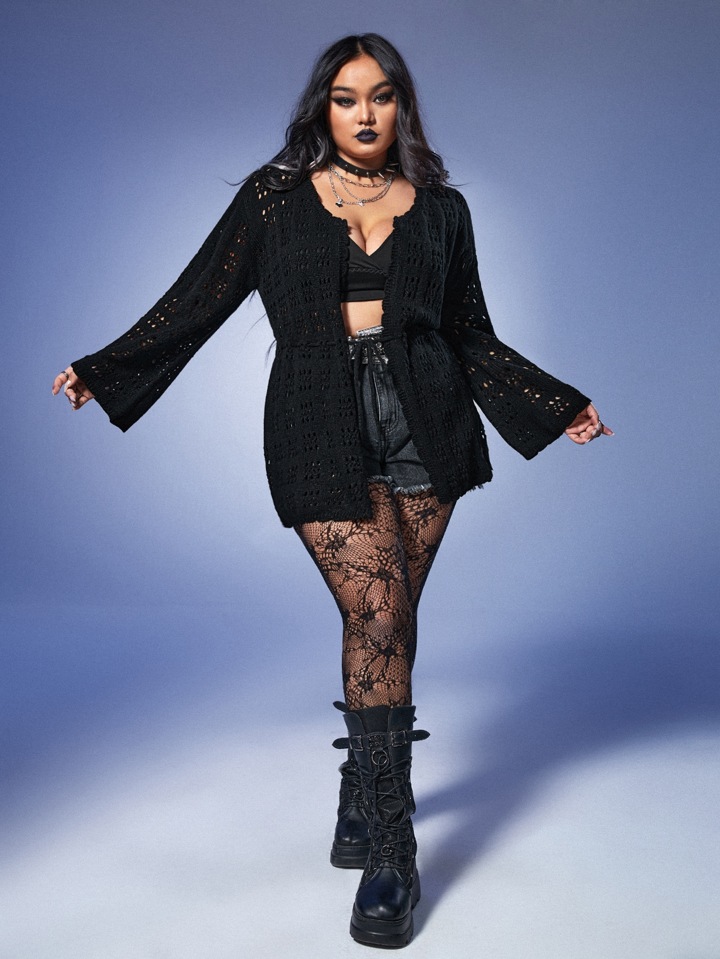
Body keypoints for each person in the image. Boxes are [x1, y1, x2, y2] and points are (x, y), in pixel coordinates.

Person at [52, 33, 611, 949]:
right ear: (323, 107)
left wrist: (556, 402)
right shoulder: (273, 199)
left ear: (401, 106)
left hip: (428, 416)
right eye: (346, 97)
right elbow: (197, 298)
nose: (364, 113)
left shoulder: (442, 209)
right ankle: (394, 846)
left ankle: (361, 785)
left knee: (389, 620)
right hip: (317, 421)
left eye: (381, 96)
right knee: (378, 612)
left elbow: (470, 333)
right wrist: (106, 368)